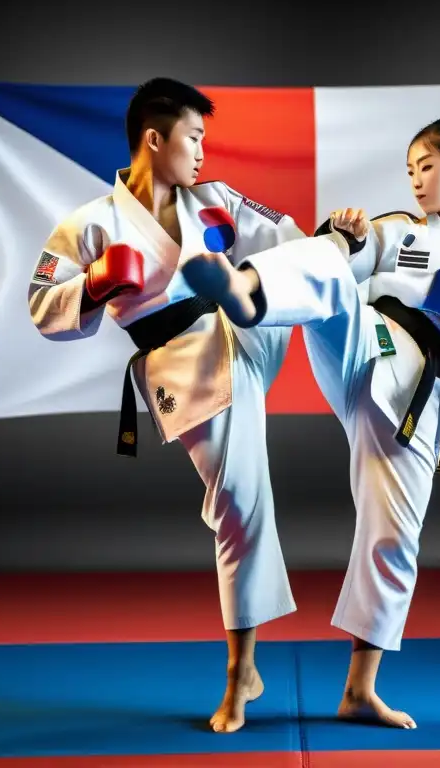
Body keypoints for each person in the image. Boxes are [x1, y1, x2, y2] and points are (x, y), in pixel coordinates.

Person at [181, 116, 440, 729]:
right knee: (325, 265)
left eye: (426, 167)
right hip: (364, 341)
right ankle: (248, 291)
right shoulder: (400, 230)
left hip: (416, 396)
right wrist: (342, 234)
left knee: (394, 539)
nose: (415, 182)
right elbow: (343, 265)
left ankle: (359, 691)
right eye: (409, 171)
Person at [27, 77, 316, 733]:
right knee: (237, 501)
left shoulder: (212, 201)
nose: (202, 153)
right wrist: (99, 282)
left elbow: (285, 235)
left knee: (311, 273)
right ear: (154, 139)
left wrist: (334, 238)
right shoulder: (91, 225)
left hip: (247, 330)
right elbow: (43, 304)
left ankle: (361, 294)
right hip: (180, 366)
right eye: (194, 138)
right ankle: (243, 665)